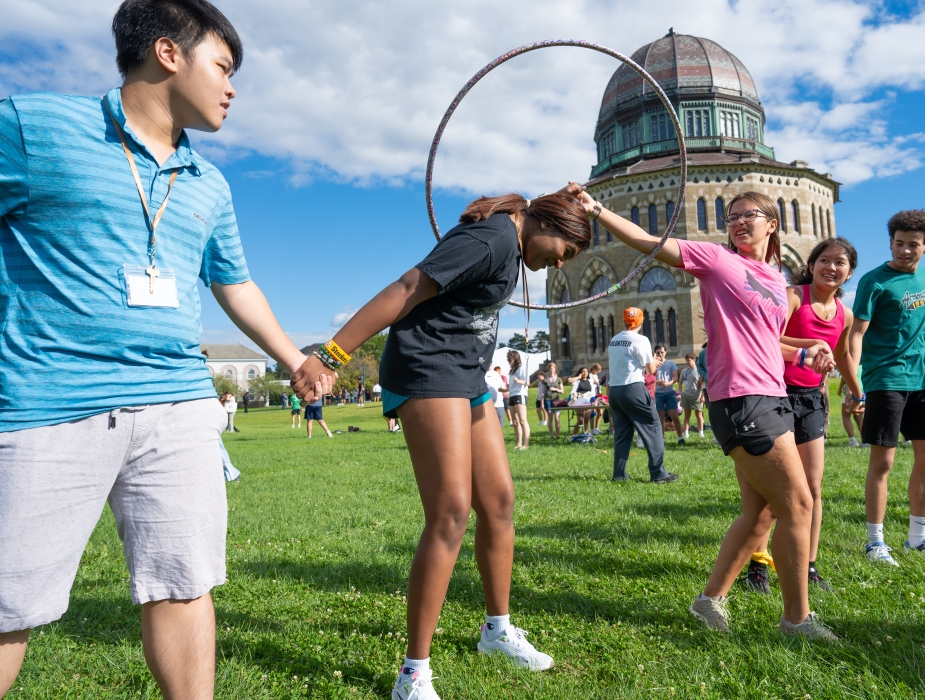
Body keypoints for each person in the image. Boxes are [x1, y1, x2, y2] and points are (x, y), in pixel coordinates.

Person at [0, 1, 334, 695]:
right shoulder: (34, 127)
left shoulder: (209, 183)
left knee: (183, 586)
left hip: (179, 405)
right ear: (169, 53)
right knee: (9, 605)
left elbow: (235, 284)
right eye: (224, 66)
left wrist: (294, 358)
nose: (233, 87)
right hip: (48, 401)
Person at [292, 191, 589, 700]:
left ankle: (496, 632)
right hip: (429, 369)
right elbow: (406, 287)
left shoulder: (513, 241)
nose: (557, 263)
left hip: (465, 375)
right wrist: (332, 353)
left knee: (498, 502)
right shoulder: (492, 238)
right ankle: (413, 674)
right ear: (546, 221)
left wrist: (582, 202)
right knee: (450, 512)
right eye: (564, 249)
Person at [580, 185, 836, 639]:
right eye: (731, 215)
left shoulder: (776, 279)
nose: (737, 221)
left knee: (761, 515)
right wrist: (596, 209)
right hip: (741, 398)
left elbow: (766, 341)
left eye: (749, 214)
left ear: (771, 224)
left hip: (771, 392)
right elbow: (649, 242)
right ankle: (797, 619)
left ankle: (710, 600)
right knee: (798, 504)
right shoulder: (718, 261)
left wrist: (804, 353)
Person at [746, 238, 865, 594]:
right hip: (775, 395)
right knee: (774, 490)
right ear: (811, 265)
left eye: (839, 262)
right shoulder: (795, 296)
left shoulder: (845, 313)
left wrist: (858, 391)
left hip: (812, 399)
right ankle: (758, 565)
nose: (831, 267)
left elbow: (843, 356)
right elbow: (764, 338)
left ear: (849, 272)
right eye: (824, 260)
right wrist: (807, 352)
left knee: (812, 489)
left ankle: (808, 565)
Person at [848, 209, 925, 566]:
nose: (904, 251)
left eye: (912, 245)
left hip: (923, 378)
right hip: (885, 379)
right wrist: (854, 382)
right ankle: (875, 542)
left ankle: (919, 538)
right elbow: (856, 331)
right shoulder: (874, 281)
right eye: (898, 244)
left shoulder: (923, 276)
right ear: (890, 242)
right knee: (883, 461)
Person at [605, 307, 679, 483]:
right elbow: (650, 370)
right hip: (633, 389)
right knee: (653, 427)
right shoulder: (641, 340)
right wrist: (657, 362)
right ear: (641, 321)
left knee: (622, 433)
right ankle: (659, 474)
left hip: (614, 390)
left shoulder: (614, 340)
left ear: (625, 321)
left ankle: (619, 474)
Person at [653, 344, 685, 445]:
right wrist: (657, 382)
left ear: (665, 352)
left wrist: (669, 383)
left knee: (674, 416)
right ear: (655, 353)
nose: (660, 354)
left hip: (670, 392)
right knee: (660, 417)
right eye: (658, 353)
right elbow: (649, 379)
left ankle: (680, 438)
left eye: (662, 352)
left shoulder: (671, 363)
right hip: (658, 393)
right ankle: (661, 438)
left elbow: (675, 377)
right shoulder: (652, 364)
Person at [506, 350, 530, 450]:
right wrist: (505, 390)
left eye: (510, 358)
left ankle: (526, 444)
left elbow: (527, 382)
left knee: (523, 420)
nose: (508, 360)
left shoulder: (522, 367)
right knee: (515, 422)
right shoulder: (512, 370)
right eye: (508, 358)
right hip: (512, 395)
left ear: (515, 358)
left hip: (520, 395)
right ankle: (518, 443)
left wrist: (519, 381)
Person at [678, 352, 705, 440]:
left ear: (694, 360)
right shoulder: (684, 371)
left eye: (689, 360)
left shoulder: (699, 371)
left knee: (699, 415)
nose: (687, 362)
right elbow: (680, 382)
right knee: (687, 415)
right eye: (686, 360)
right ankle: (686, 432)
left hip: (697, 395)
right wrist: (681, 393)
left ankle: (701, 432)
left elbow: (703, 384)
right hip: (686, 395)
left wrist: (703, 396)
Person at [569, 367, 596, 435]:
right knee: (580, 420)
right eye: (583, 371)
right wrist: (578, 377)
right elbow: (570, 381)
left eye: (586, 371)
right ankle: (574, 435)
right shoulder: (577, 381)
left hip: (588, 400)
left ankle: (585, 434)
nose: (585, 373)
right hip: (579, 400)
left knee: (586, 419)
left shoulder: (590, 381)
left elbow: (593, 393)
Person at [839, 378, 865, 447]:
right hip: (861, 393)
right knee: (860, 418)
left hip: (850, 393)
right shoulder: (862, 367)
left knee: (846, 416)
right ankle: (865, 441)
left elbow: (844, 378)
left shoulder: (850, 366)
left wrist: (840, 388)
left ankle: (853, 440)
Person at [543, 363, 564, 439]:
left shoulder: (558, 379)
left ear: (555, 369)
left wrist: (555, 389)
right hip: (547, 400)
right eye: (550, 368)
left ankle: (558, 435)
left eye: (553, 368)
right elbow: (543, 392)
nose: (551, 370)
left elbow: (562, 391)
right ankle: (551, 435)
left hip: (556, 400)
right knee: (550, 417)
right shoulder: (545, 380)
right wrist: (542, 402)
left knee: (557, 417)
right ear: (548, 370)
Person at [485, 364, 508, 429]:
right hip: (487, 403)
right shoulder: (482, 373)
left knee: (501, 424)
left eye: (490, 363)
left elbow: (502, 387)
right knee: (489, 424)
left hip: (499, 403)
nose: (489, 365)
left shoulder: (496, 374)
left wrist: (509, 394)